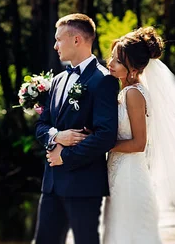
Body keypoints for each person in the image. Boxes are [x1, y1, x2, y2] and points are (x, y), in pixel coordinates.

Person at [104, 27, 175, 243]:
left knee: (127, 233)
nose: (110, 62)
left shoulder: (134, 93)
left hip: (128, 174)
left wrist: (104, 144)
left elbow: (139, 143)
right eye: (112, 57)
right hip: (118, 170)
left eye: (117, 60)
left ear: (133, 68)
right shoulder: (126, 91)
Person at [33, 13, 119, 244]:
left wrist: (66, 157)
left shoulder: (103, 80)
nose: (55, 45)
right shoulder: (58, 80)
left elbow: (105, 135)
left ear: (77, 40)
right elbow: (42, 125)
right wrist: (56, 136)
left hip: (83, 184)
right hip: (51, 183)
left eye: (59, 39)